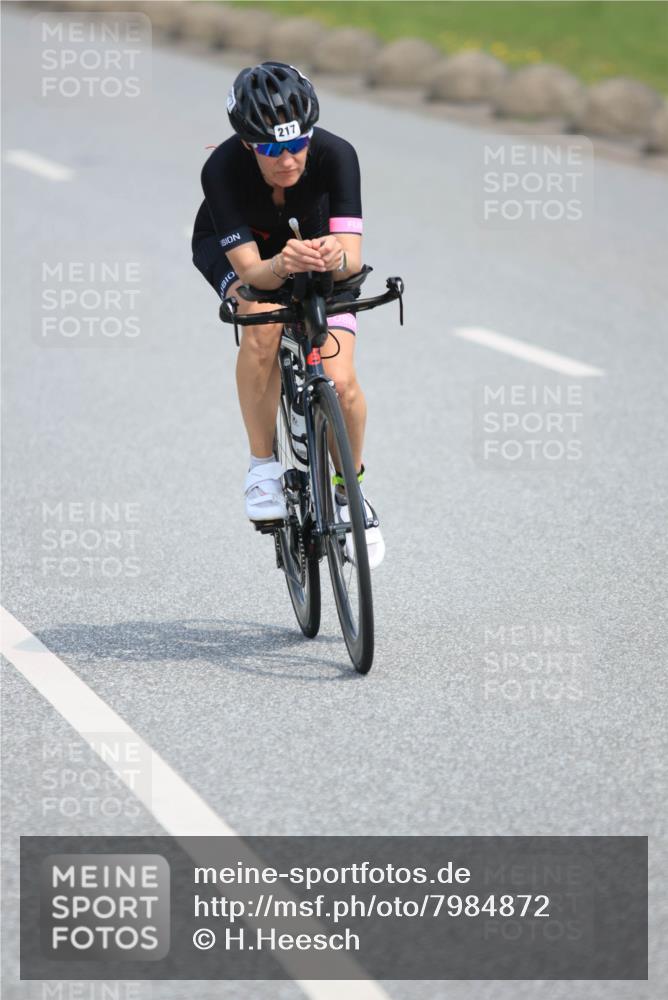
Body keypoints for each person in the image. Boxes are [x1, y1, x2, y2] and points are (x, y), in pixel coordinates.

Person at [192, 61, 384, 568]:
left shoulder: (337, 155)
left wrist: (330, 257)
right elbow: (254, 271)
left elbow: (353, 255)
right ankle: (261, 467)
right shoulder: (222, 170)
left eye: (297, 143)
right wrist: (279, 263)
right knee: (262, 325)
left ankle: (350, 491)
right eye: (272, 149)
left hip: (314, 248)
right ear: (249, 144)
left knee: (341, 385)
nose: (287, 159)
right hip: (248, 254)